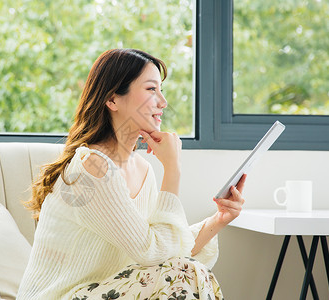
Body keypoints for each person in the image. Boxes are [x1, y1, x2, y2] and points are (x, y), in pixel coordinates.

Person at [17, 48, 246, 300]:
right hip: (62, 296)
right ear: (113, 100)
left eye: (161, 90)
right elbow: (153, 253)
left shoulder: (142, 169)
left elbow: (163, 247)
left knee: (184, 270)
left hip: (106, 291)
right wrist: (173, 168)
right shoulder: (92, 167)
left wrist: (219, 218)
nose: (163, 102)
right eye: (151, 89)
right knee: (184, 271)